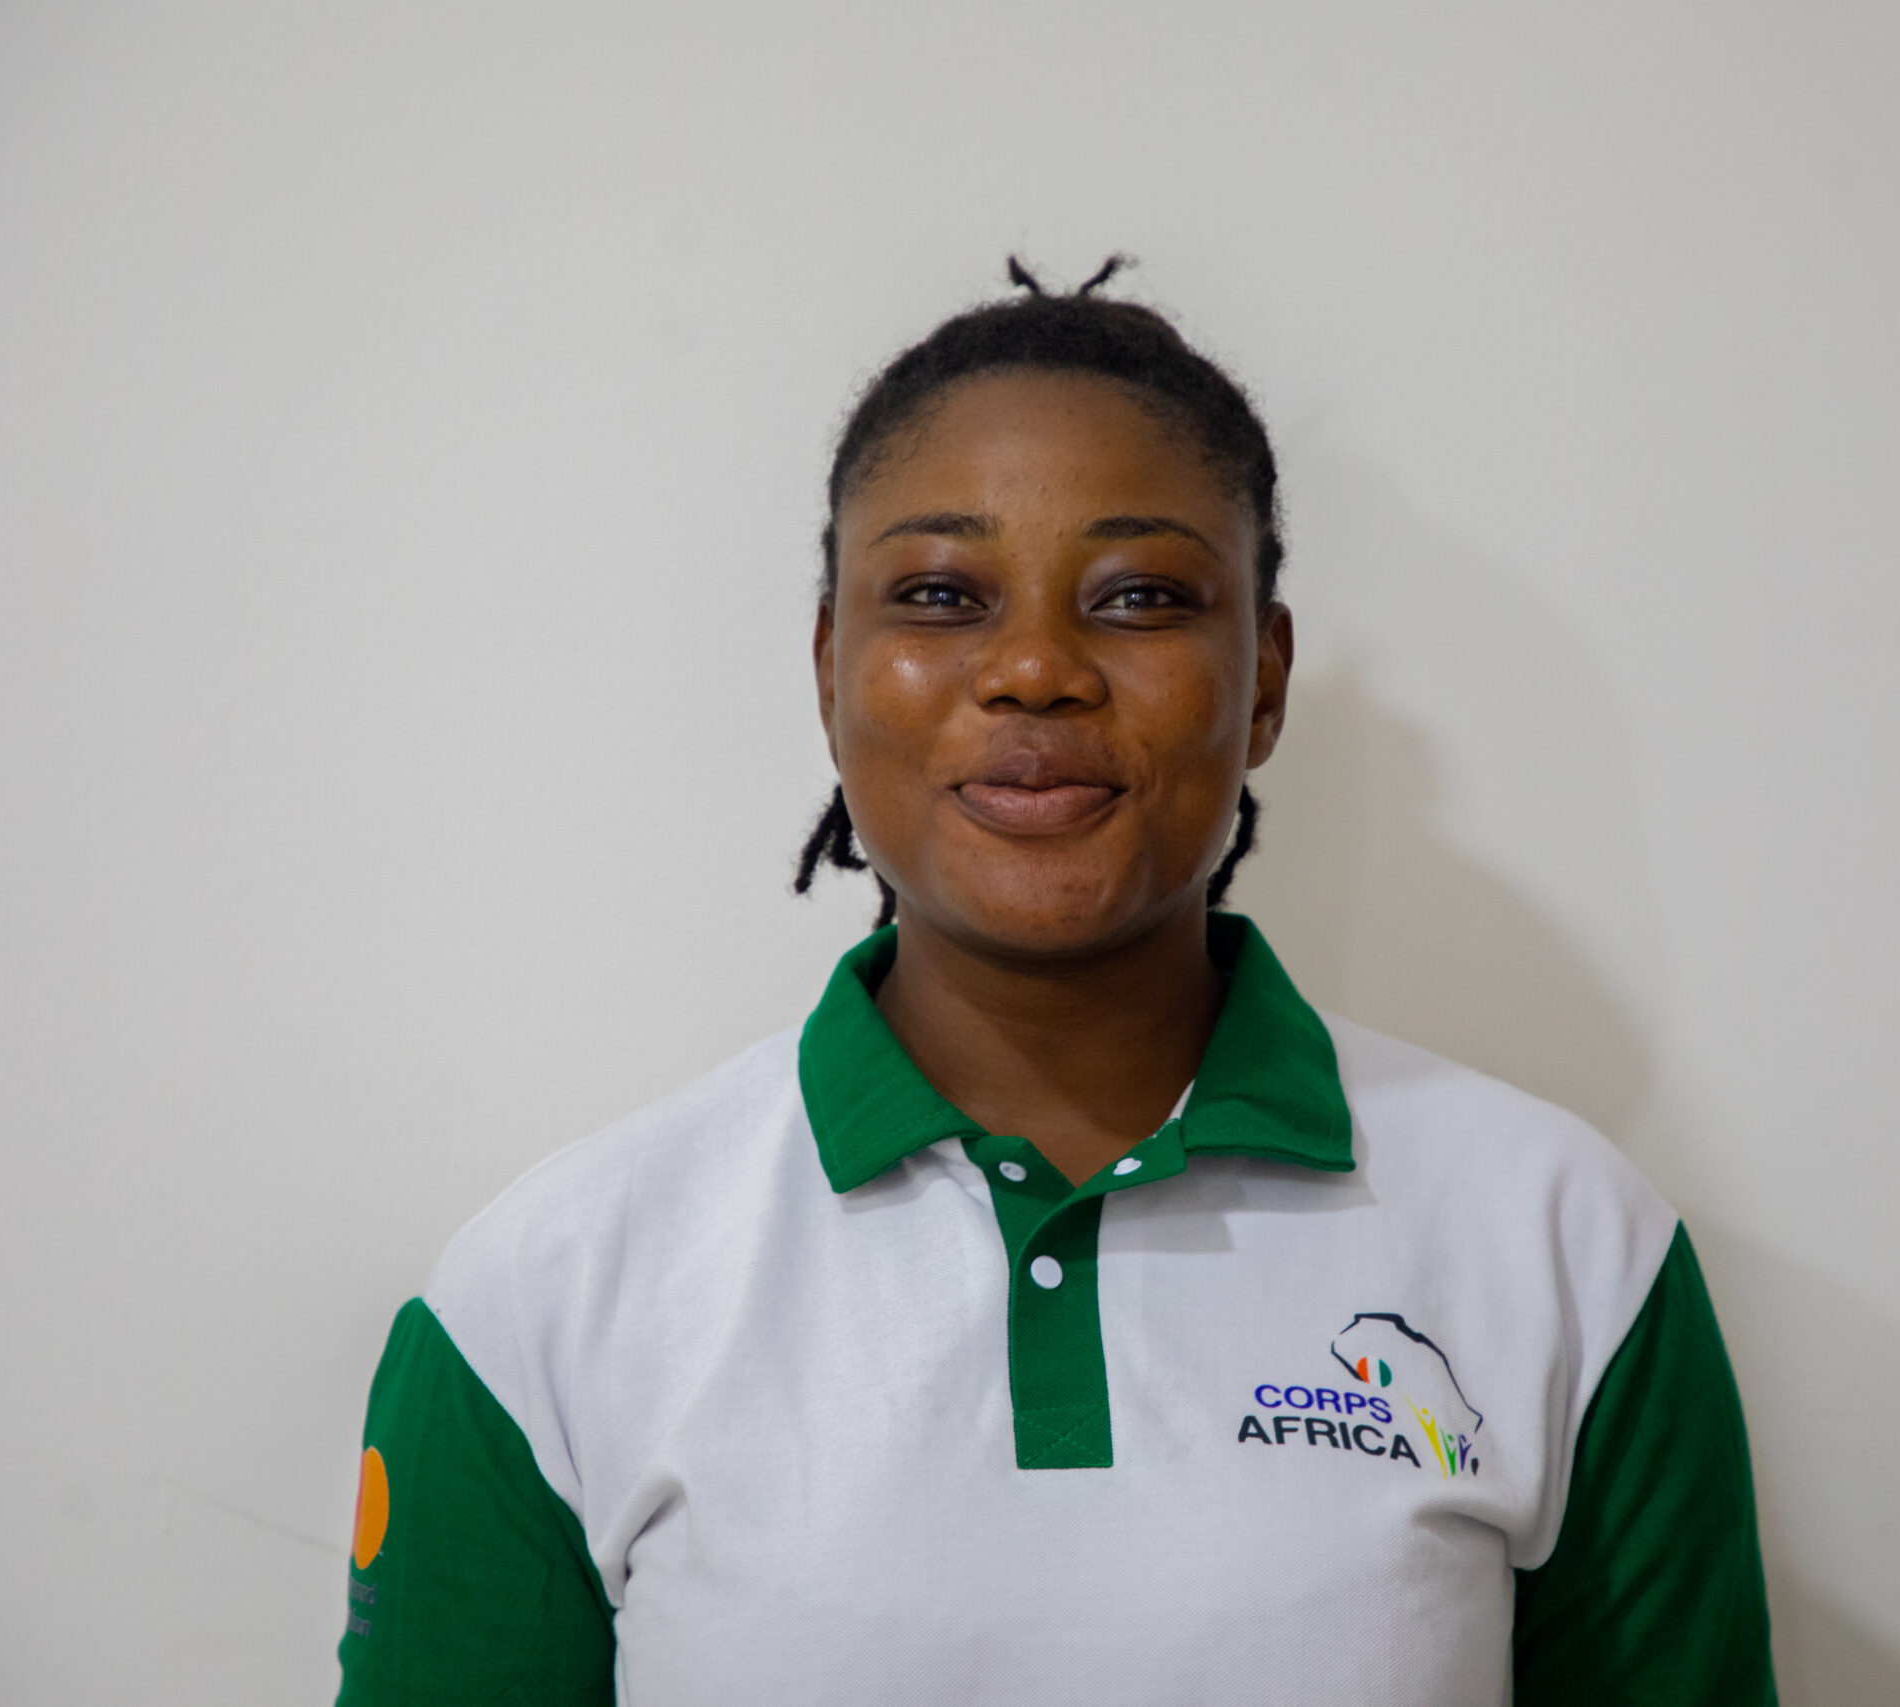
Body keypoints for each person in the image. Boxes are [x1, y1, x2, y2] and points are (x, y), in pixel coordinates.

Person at [334, 259, 1777, 1704]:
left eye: (1141, 596)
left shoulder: (1566, 1247)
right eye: (940, 595)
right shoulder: (551, 1295)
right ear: (831, 668)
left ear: (1266, 679)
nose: (1034, 668)